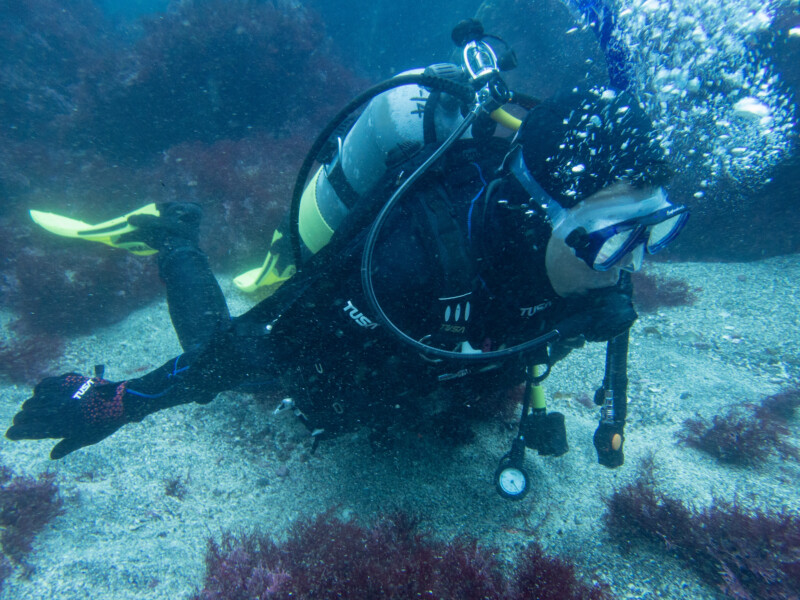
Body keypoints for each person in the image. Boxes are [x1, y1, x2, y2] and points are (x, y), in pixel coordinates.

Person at [5, 29, 687, 498]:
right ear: (537, 210)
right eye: (614, 240)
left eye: (655, 232)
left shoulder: (594, 280)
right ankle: (175, 233)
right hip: (349, 353)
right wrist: (120, 402)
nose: (632, 265)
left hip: (432, 367)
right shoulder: (411, 265)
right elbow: (244, 349)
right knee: (242, 360)